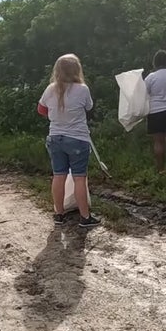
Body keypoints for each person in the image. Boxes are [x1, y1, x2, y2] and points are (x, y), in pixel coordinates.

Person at [37, 53, 101, 228]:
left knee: (59, 175)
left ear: (57, 70)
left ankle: (59, 214)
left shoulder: (50, 89)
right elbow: (89, 107)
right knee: (80, 178)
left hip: (55, 137)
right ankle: (85, 217)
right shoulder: (82, 89)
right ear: (76, 70)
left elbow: (41, 110)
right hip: (77, 139)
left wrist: (57, 116)